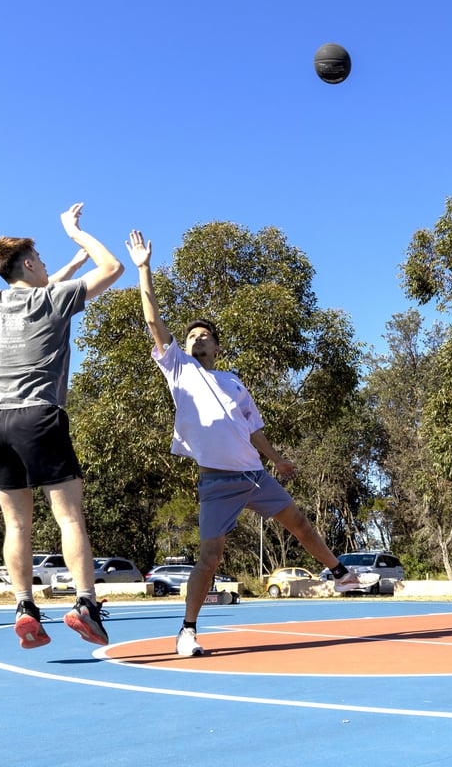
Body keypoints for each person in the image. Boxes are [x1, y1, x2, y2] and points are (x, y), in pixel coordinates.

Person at [126, 230, 368, 658]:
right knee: (211, 558)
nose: (198, 339)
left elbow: (253, 428)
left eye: (205, 336)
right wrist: (144, 268)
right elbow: (152, 321)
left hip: (254, 474)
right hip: (217, 480)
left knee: (301, 524)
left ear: (218, 346)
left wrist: (279, 460)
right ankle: (187, 630)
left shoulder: (234, 382)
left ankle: (338, 572)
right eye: (193, 335)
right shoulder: (178, 368)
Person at [0, 203, 124, 649]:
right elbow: (113, 267)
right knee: (68, 515)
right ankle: (85, 605)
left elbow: (43, 285)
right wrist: (76, 234)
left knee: (17, 525)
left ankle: (24, 606)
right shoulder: (54, 300)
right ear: (27, 263)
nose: (44, 267)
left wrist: (68, 266)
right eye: (39, 260)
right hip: (37, 416)